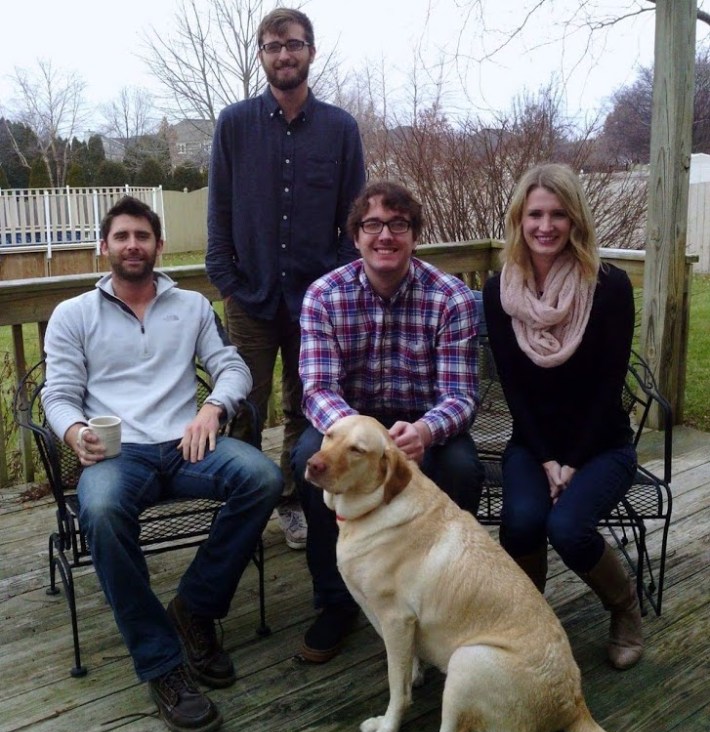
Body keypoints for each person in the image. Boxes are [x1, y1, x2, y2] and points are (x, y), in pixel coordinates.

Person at [42, 196, 283, 732]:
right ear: (104, 247)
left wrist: (213, 408)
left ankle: (195, 607)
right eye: (122, 236)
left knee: (263, 478)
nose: (133, 245)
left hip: (187, 445)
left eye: (143, 236)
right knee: (100, 510)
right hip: (118, 454)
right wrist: (76, 432)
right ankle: (162, 665)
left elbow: (231, 366)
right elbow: (57, 396)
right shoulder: (73, 315)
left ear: (158, 246)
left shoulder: (192, 307)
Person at [292, 181, 485, 663]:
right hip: (346, 427)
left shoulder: (451, 298)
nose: (385, 235)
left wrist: (424, 431)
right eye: (372, 225)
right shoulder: (323, 296)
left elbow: (461, 395)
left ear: (414, 235)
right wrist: (363, 437)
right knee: (306, 460)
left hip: (422, 428)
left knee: (464, 467)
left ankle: (442, 594)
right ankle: (336, 602)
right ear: (355, 236)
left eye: (398, 225)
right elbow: (317, 390)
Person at [205, 7, 366, 551]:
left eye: (293, 45)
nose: (284, 55)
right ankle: (243, 504)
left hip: (315, 302)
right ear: (262, 55)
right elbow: (219, 213)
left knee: (306, 405)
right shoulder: (234, 124)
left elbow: (355, 216)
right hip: (248, 296)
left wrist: (336, 285)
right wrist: (226, 280)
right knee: (244, 404)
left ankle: (293, 500)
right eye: (273, 47)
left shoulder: (340, 129)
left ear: (311, 52)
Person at [482, 162, 641, 670]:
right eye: (535, 214)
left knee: (569, 528)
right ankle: (529, 625)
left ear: (575, 220)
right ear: (519, 220)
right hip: (534, 444)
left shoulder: (609, 287)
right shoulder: (500, 291)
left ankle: (625, 610)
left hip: (602, 445)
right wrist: (548, 457)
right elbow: (513, 387)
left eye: (557, 214)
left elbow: (608, 387)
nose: (545, 226)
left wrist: (571, 461)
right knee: (523, 522)